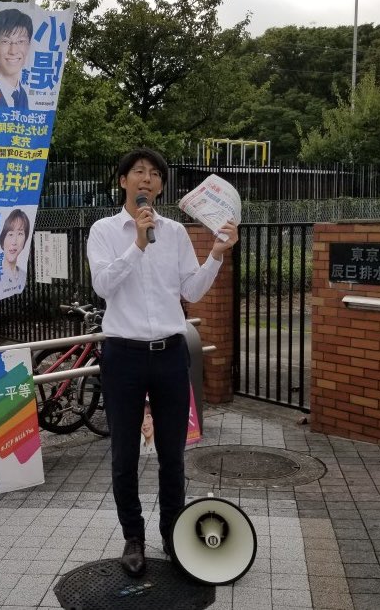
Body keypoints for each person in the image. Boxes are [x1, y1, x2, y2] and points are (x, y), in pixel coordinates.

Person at [87, 147, 238, 577]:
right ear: (123, 181)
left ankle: (173, 532)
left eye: (155, 174)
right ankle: (133, 537)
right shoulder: (103, 230)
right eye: (139, 171)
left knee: (173, 453)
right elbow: (103, 285)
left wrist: (217, 254)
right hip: (123, 355)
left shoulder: (174, 233)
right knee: (124, 454)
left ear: (161, 186)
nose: (147, 179)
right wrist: (137, 243)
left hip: (171, 352)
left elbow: (191, 290)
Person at [0, 8, 32, 109]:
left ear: (29, 45)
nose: (13, 51)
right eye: (5, 41)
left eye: (21, 41)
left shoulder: (23, 95)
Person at [0, 208, 30, 302]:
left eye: (20, 233)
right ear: (2, 240)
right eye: (10, 234)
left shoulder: (23, 275)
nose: (14, 242)